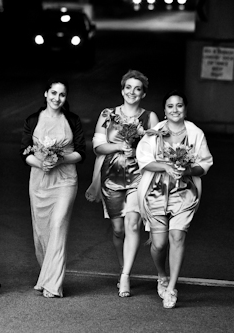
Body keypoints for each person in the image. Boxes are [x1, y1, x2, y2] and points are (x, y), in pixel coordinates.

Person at [136, 90, 213, 308]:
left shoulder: (195, 133)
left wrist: (187, 170)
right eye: (170, 106)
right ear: (164, 110)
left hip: (184, 193)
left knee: (177, 237)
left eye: (179, 106)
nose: (175, 110)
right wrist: (166, 166)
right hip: (156, 192)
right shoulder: (155, 132)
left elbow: (205, 163)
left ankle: (171, 289)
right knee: (159, 244)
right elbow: (144, 161)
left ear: (185, 109)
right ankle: (162, 276)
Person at [85, 69, 159, 297]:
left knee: (133, 224)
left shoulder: (150, 117)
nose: (132, 92)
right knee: (118, 230)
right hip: (111, 176)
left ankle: (126, 276)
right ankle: (122, 267)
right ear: (122, 90)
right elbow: (97, 146)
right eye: (128, 88)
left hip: (139, 176)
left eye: (138, 89)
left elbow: (157, 149)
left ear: (143, 93)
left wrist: (139, 147)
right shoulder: (108, 114)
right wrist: (118, 146)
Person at [20, 78, 86, 298]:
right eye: (53, 93)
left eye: (62, 94)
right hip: (39, 181)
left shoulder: (73, 120)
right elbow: (25, 153)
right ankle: (46, 274)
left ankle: (53, 285)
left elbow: (81, 153)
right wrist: (41, 163)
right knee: (41, 231)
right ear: (45, 94)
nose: (57, 98)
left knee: (57, 225)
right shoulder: (32, 120)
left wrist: (60, 159)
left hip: (65, 180)